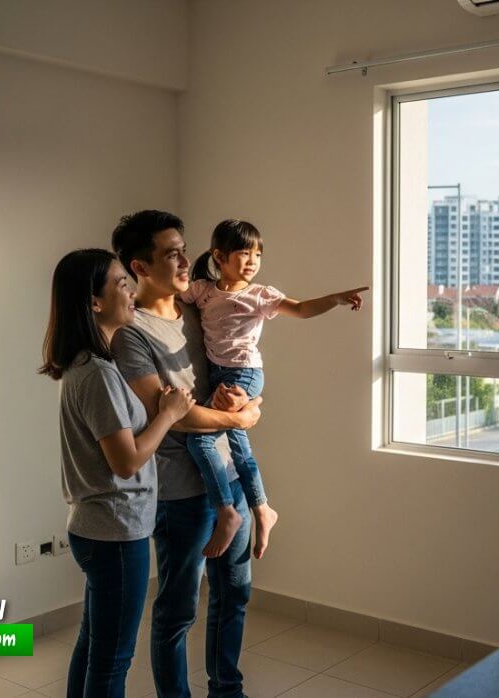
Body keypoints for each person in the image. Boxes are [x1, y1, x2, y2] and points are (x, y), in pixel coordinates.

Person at [110, 210, 260, 698]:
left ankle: (227, 691)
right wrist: (239, 420)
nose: (183, 259)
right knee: (177, 612)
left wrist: (248, 403)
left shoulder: (201, 310)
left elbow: (240, 370)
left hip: (229, 475)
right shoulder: (131, 335)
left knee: (234, 596)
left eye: (183, 248)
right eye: (170, 252)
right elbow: (174, 412)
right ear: (140, 266)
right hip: (180, 492)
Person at [39, 248, 195, 698]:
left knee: (93, 646)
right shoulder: (100, 375)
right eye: (121, 283)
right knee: (112, 660)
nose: (131, 292)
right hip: (116, 533)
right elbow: (126, 461)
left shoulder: (85, 367)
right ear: (94, 302)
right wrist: (168, 413)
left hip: (99, 530)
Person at [184, 219, 366, 558]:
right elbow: (169, 297)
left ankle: (227, 510)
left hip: (245, 375)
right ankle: (262, 509)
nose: (253, 261)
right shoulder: (203, 291)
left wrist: (336, 298)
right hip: (218, 374)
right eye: (244, 253)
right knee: (238, 444)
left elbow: (300, 308)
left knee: (200, 437)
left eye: (258, 254)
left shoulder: (260, 294)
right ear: (219, 256)